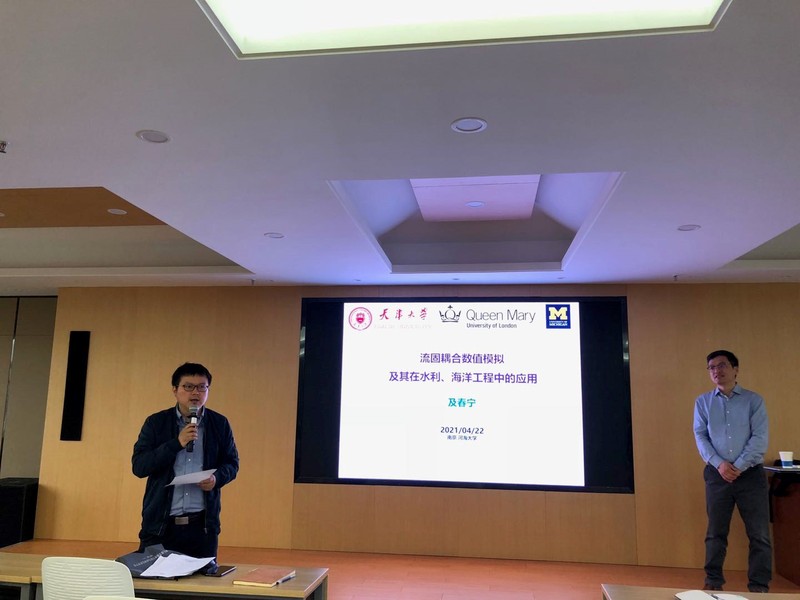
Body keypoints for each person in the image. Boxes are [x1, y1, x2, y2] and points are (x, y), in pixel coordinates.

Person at [132, 362, 239, 571]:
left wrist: (217, 478)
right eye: (188, 387)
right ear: (175, 390)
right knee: (154, 584)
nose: (195, 393)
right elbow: (139, 466)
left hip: (202, 527)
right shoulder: (156, 423)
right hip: (160, 526)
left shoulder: (219, 424)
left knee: (201, 585)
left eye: (202, 387)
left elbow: (232, 463)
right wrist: (176, 443)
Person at [693, 350, 771, 593]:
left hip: (750, 475)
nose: (717, 370)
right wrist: (720, 464)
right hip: (717, 475)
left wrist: (738, 466)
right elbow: (700, 436)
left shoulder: (753, 400)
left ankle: (759, 587)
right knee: (715, 532)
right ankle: (713, 582)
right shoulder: (703, 402)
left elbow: (759, 438)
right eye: (711, 367)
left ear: (735, 369)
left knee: (759, 534)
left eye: (722, 365)